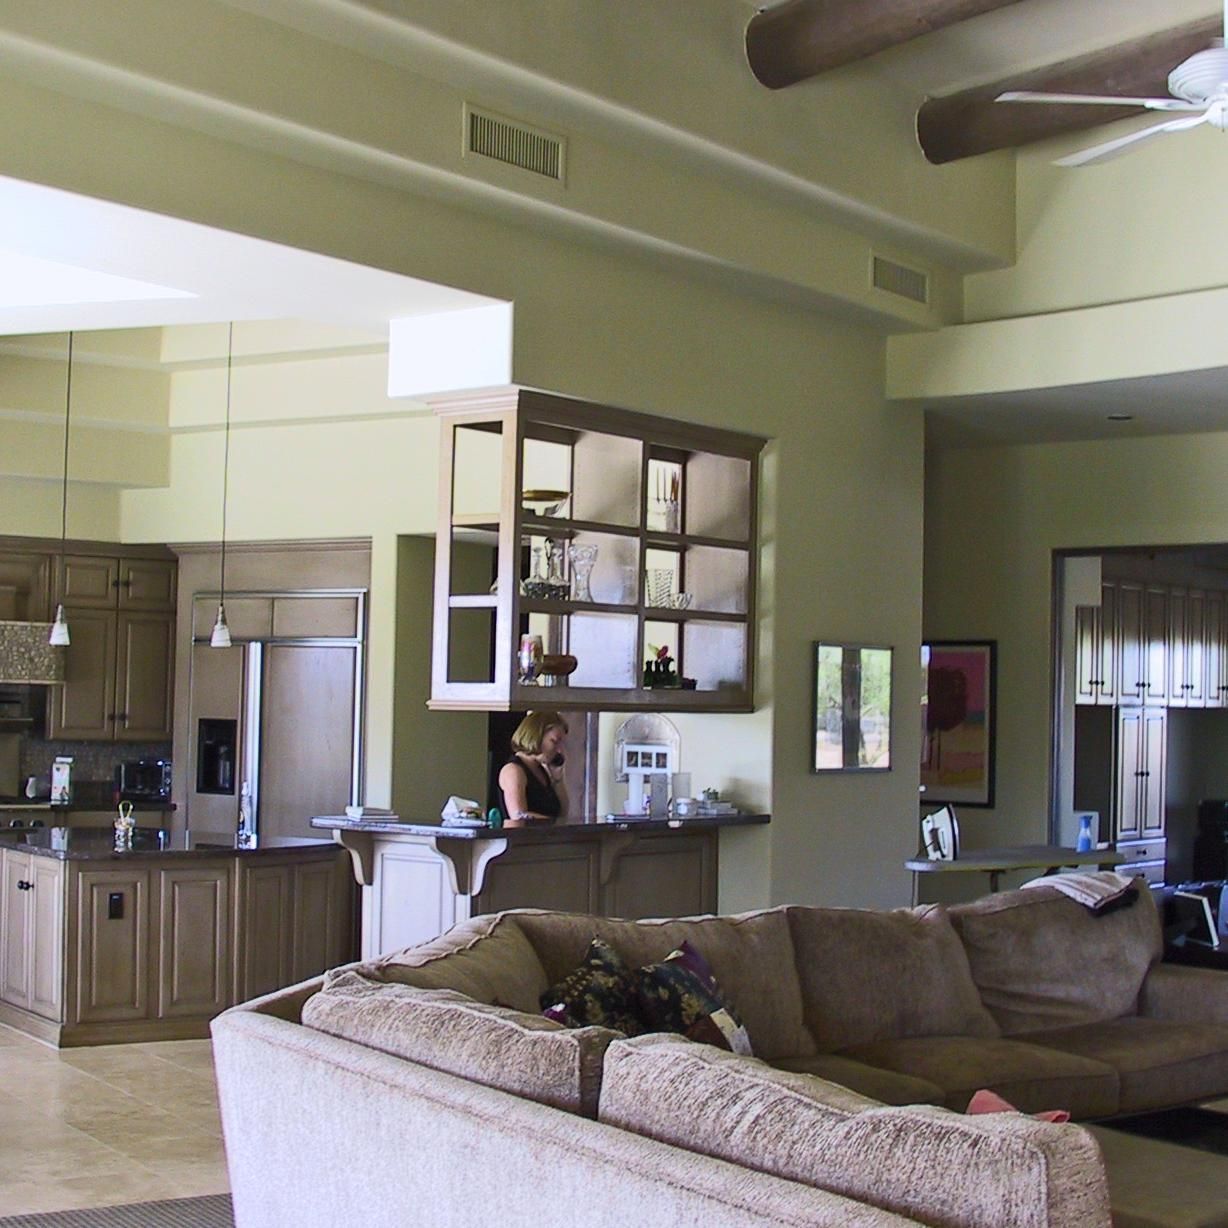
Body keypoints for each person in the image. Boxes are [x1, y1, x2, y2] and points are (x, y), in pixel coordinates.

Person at [498, 710, 569, 827]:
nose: (559, 750)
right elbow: (519, 815)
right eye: (555, 741)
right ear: (537, 736)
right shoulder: (514, 770)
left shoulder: (542, 770)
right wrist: (554, 824)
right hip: (522, 841)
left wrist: (558, 780)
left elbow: (563, 814)